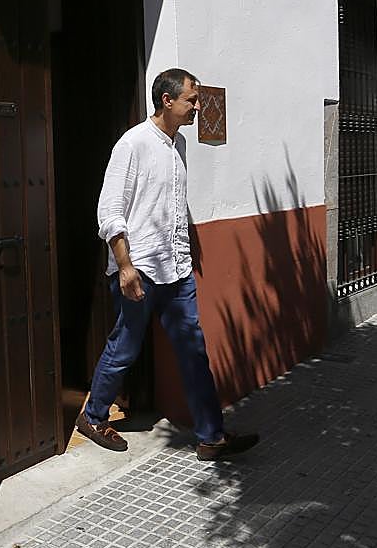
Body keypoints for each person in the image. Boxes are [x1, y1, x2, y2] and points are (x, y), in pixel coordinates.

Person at [74, 68, 259, 461]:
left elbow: (173, 206)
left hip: (176, 271)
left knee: (194, 350)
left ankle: (212, 436)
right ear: (167, 101)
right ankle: (92, 415)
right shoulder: (133, 144)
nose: (197, 106)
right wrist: (125, 266)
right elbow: (109, 211)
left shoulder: (179, 146)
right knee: (125, 347)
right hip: (139, 269)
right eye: (192, 99)